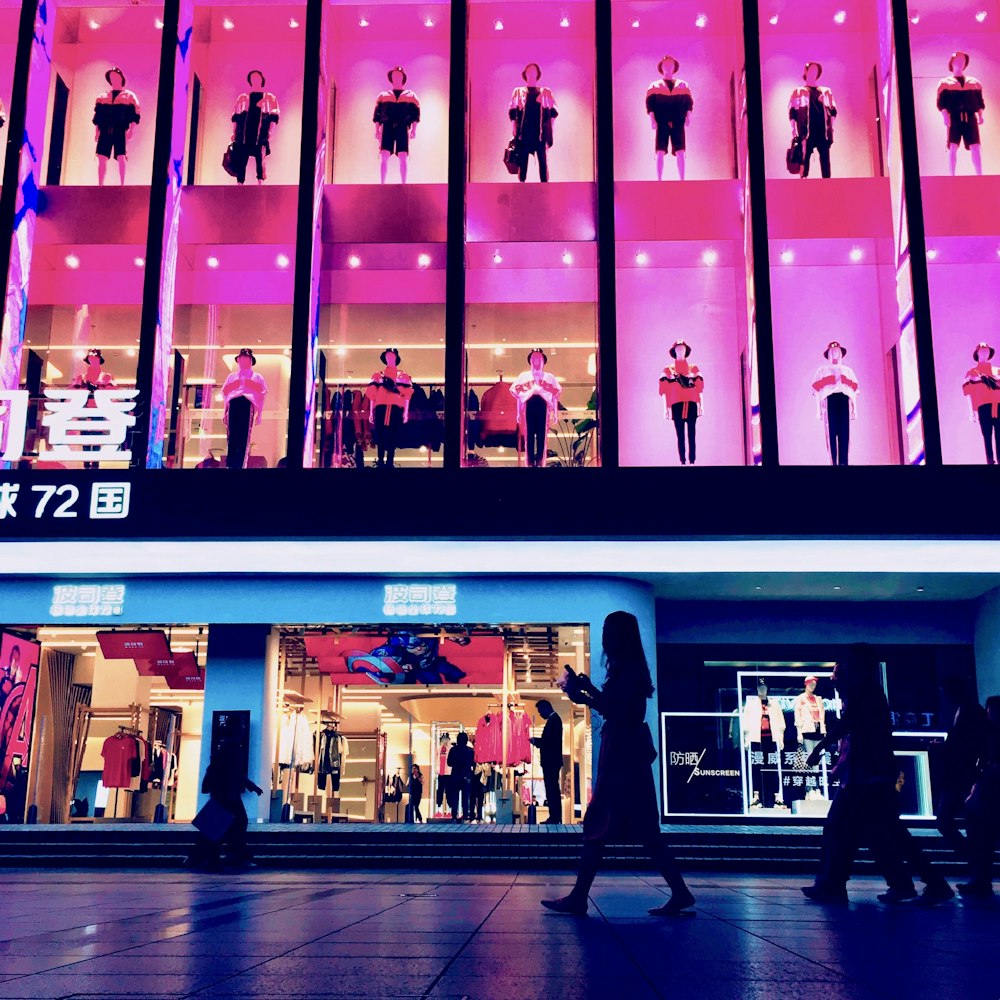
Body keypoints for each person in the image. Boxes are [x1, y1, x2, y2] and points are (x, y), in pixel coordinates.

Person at [542, 611, 694, 916]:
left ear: (617, 635)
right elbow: (621, 707)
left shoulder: (628, 669)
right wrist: (589, 691)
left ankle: (579, 896)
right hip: (628, 752)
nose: (602, 637)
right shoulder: (632, 668)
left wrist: (585, 697)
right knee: (645, 830)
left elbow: (622, 711)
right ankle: (679, 891)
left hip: (622, 754)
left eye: (606, 630)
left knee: (599, 822)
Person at [802, 647, 953, 904]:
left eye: (844, 667)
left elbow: (848, 725)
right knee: (880, 832)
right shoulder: (867, 692)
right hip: (872, 776)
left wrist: (818, 747)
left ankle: (835, 884)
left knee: (844, 827)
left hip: (867, 777)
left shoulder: (865, 693)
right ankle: (916, 883)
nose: (836, 677)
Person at [188, 731, 263, 871]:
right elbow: (235, 772)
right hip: (228, 793)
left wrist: (249, 785)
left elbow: (232, 772)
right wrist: (249, 785)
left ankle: (202, 857)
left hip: (222, 792)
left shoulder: (223, 747)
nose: (242, 729)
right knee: (236, 823)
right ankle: (233, 856)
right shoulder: (232, 749)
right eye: (240, 727)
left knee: (215, 826)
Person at [933, 678, 987, 860]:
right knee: (967, 820)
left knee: (947, 819)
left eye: (946, 692)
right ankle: (974, 860)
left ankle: (972, 858)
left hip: (960, 775)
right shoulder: (970, 710)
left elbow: (963, 746)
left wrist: (942, 748)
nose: (945, 696)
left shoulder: (967, 711)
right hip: (963, 774)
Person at [958, 695, 1000, 897]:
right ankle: (980, 879)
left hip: (990, 786)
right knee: (984, 835)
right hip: (988, 786)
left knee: (982, 834)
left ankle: (980, 879)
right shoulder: (990, 734)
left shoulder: (990, 735)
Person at [530, 699, 563, 824]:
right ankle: (554, 816)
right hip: (552, 761)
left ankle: (555, 817)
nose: (540, 715)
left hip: (551, 761)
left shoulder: (554, 721)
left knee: (552, 788)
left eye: (540, 712)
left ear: (545, 708)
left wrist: (537, 742)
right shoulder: (555, 720)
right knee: (552, 788)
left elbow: (549, 742)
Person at [447, 732, 474, 823]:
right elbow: (472, 763)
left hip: (455, 775)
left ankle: (454, 815)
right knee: (465, 797)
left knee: (454, 797)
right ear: (466, 740)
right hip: (466, 775)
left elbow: (449, 763)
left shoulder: (453, 750)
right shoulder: (470, 751)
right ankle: (465, 816)